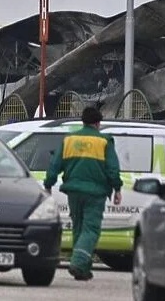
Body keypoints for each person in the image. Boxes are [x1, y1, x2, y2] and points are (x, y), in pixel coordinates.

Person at [43, 106, 122, 281]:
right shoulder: (104, 141)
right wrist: (117, 188)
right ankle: (79, 262)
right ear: (98, 123)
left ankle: (83, 269)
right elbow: (112, 169)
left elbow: (55, 165)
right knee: (91, 228)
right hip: (95, 192)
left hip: (73, 192)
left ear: (83, 121)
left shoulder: (69, 140)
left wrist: (48, 184)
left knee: (78, 227)